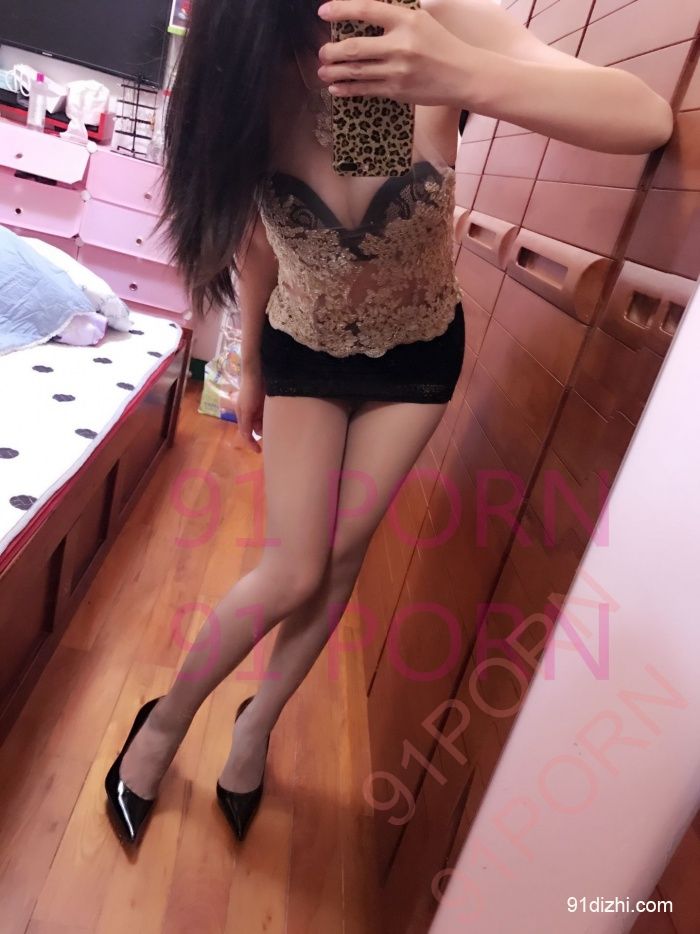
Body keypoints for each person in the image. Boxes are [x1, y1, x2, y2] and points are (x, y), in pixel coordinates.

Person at [104, 0, 674, 845]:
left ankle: (257, 728)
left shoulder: (428, 19)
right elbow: (256, 242)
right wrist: (251, 364)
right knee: (294, 568)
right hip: (304, 343)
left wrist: (452, 71)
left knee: (340, 560)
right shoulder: (246, 62)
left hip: (415, 352)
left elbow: (645, 117)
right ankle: (162, 723)